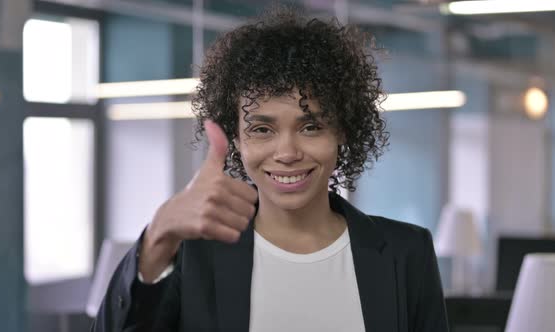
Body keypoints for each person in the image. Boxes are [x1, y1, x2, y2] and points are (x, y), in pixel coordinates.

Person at [92, 5, 449, 332]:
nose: (288, 152)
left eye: (310, 127)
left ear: (341, 131)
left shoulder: (407, 253)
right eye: (262, 129)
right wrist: (158, 235)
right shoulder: (194, 257)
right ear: (236, 140)